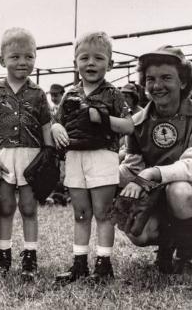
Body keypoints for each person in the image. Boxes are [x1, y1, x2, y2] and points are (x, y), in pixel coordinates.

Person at [119, 45, 192, 274]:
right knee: (140, 234)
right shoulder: (137, 120)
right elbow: (131, 167)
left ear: (183, 81)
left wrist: (151, 174)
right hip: (153, 193)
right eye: (150, 79)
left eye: (166, 77)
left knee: (178, 191)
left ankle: (184, 255)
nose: (157, 86)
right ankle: (165, 247)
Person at [52, 31, 133, 284]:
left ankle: (104, 266)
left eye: (98, 58)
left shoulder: (113, 93)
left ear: (110, 64)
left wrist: (104, 119)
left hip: (102, 156)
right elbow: (57, 121)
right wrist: (56, 128)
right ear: (75, 63)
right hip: (75, 156)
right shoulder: (69, 94)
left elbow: (129, 126)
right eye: (84, 58)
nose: (90, 63)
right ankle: (79, 265)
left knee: (103, 212)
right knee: (80, 212)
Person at [0, 27, 53, 281]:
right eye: (14, 57)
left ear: (35, 58)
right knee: (5, 206)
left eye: (28, 56)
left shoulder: (39, 93)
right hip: (2, 158)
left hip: (31, 158)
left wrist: (49, 156)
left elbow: (46, 126)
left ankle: (30, 257)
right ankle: (3, 256)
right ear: (2, 60)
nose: (22, 62)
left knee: (28, 207)